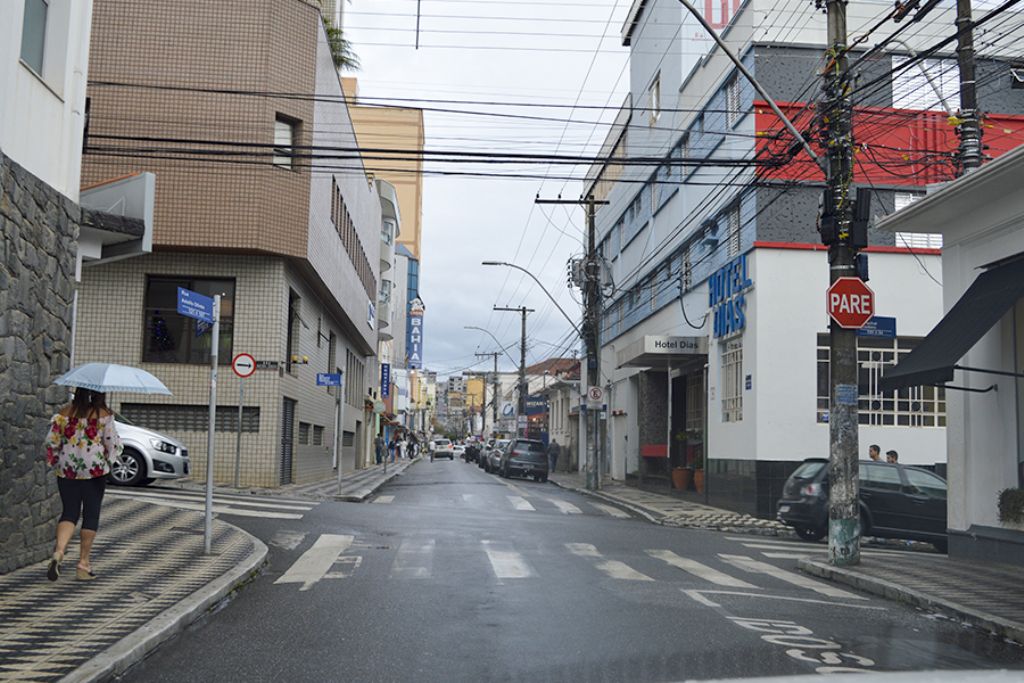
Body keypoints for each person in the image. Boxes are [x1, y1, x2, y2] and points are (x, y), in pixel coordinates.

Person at [44, 387, 123, 582]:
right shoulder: (104, 415)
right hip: (94, 471)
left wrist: (56, 460)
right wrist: (110, 458)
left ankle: (59, 552)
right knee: (91, 514)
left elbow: (51, 442)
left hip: (67, 470)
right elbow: (112, 444)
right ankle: (83, 564)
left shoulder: (63, 413)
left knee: (69, 512)